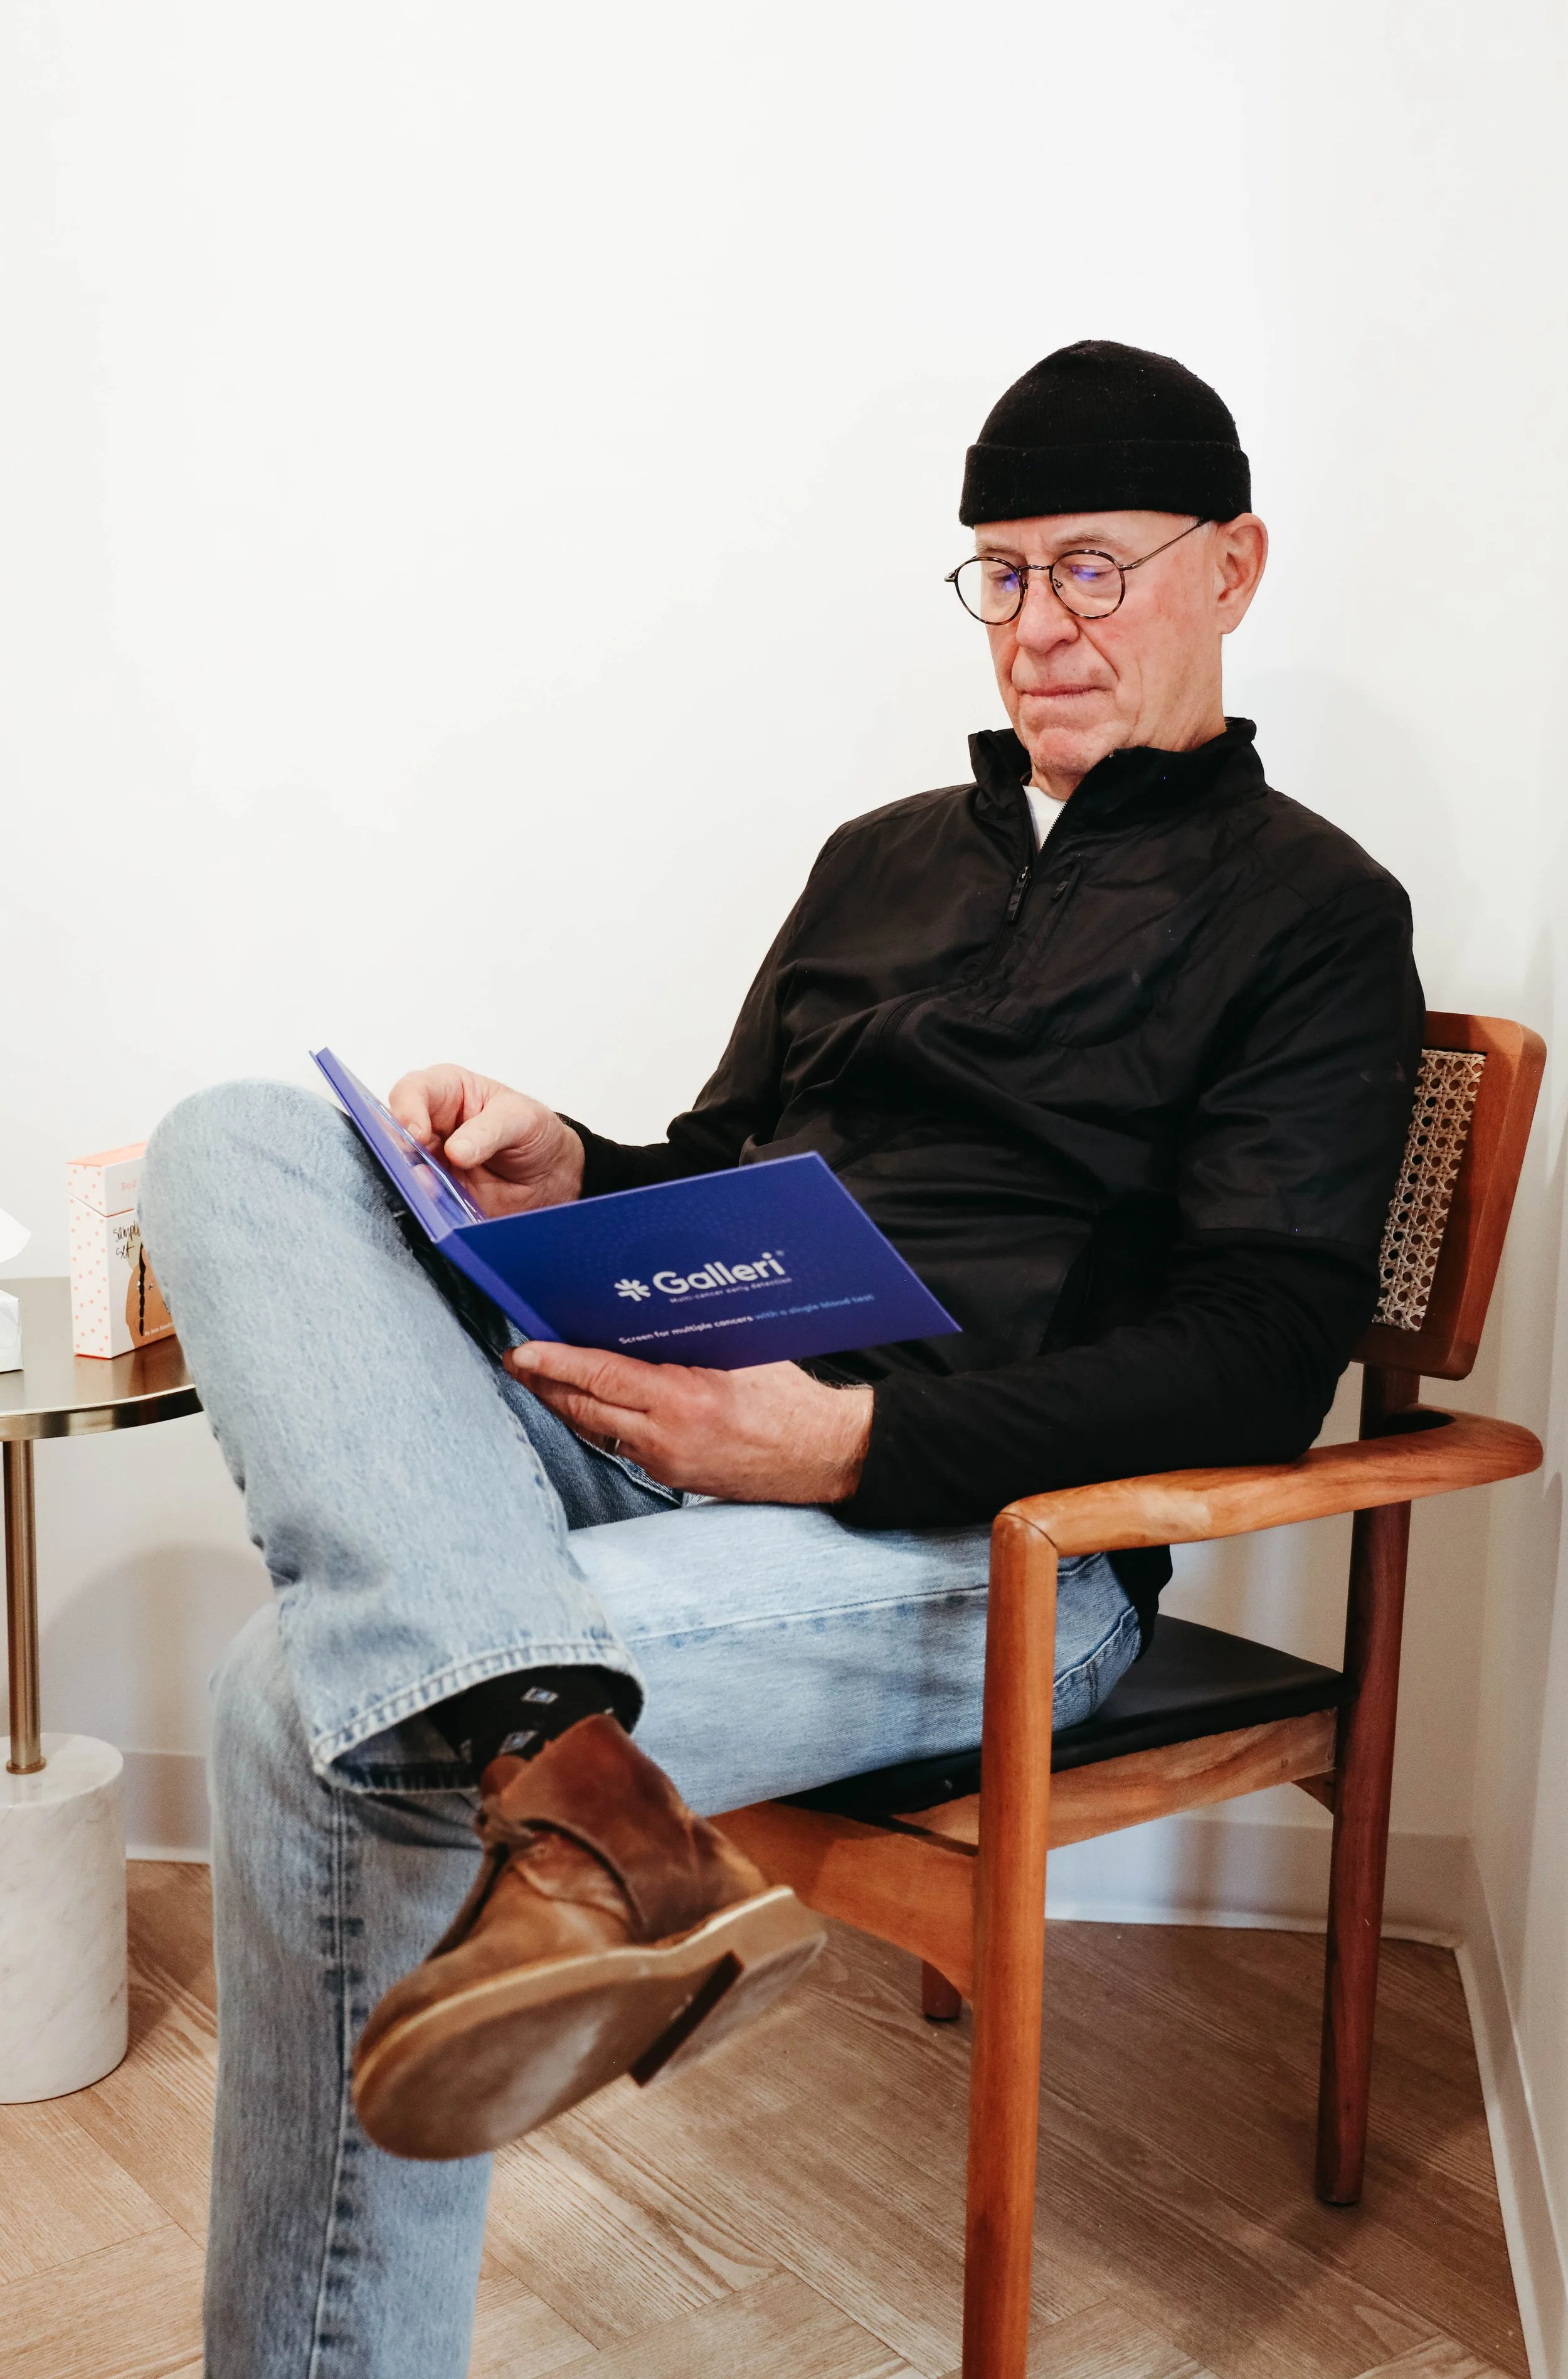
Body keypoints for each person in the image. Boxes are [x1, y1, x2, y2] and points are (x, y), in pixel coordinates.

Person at [140, 339, 1422, 2379]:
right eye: (1000, 574)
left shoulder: (1312, 913)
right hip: (671, 1423)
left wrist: (841, 1447)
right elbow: (730, 1173)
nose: (1038, 625)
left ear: (1231, 566)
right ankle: (571, 1766)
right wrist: (576, 1166)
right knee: (240, 1138)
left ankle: (550, 1781)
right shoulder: (880, 857)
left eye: (1091, 567)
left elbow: (1258, 1360)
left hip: (979, 1542)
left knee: (304, 1696)